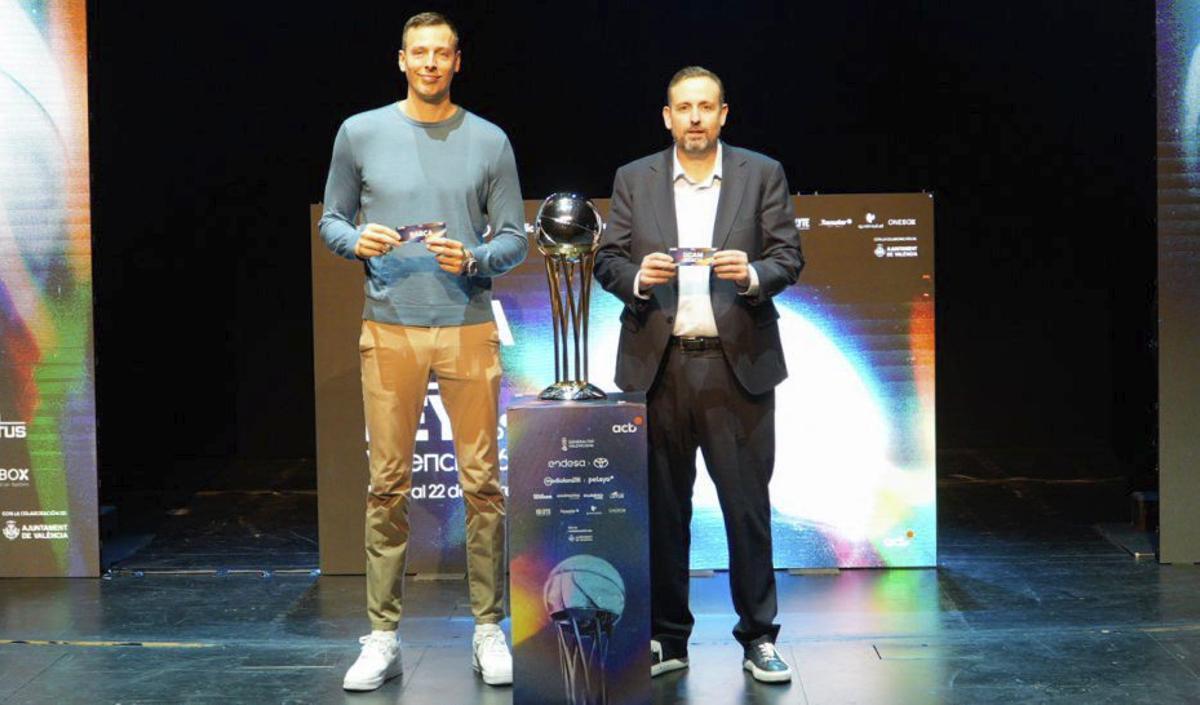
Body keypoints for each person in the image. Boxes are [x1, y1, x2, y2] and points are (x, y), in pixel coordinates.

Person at [317, 11, 526, 692]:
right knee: (387, 483)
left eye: (442, 53)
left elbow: (515, 238)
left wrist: (473, 255)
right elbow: (333, 220)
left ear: (457, 61)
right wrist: (357, 242)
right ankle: (382, 636)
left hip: (466, 322)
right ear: (401, 59)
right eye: (419, 53)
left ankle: (488, 626)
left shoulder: (489, 139)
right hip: (390, 325)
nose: (431, 63)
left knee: (482, 483)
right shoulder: (360, 131)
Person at [594, 66, 804, 684]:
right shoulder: (634, 178)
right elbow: (608, 259)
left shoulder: (761, 173)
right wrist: (637, 277)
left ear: (722, 114)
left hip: (734, 366)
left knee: (745, 508)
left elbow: (788, 255)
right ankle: (667, 637)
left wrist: (754, 275)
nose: (694, 117)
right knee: (662, 510)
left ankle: (759, 637)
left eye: (705, 107)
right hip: (657, 367)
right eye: (683, 107)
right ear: (666, 116)